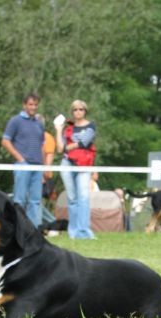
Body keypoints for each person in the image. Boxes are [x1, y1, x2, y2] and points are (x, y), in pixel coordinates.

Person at [55, 99, 96, 239]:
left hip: (84, 165)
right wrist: (58, 130)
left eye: (81, 109)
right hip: (67, 163)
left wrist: (70, 146)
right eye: (75, 110)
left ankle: (83, 231)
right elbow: (60, 148)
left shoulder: (91, 126)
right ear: (72, 112)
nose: (78, 112)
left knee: (83, 197)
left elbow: (84, 141)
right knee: (72, 198)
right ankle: (73, 232)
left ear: (85, 111)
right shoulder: (67, 129)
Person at [1, 93, 45, 227]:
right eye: (31, 104)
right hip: (23, 165)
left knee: (36, 200)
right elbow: (5, 141)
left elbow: (41, 144)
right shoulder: (15, 121)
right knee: (19, 199)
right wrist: (20, 159)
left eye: (35, 105)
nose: (33, 107)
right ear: (24, 105)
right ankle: (18, 228)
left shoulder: (39, 123)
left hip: (37, 166)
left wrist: (43, 168)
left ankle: (34, 229)